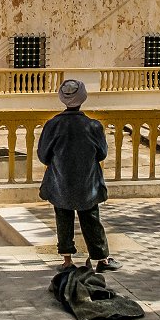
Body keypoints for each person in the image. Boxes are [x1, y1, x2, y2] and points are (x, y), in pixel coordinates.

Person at [37, 78, 122, 273]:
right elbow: (102, 153)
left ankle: (67, 261)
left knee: (63, 218)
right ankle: (102, 259)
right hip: (87, 182)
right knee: (91, 218)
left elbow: (43, 156)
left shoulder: (52, 125)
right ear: (83, 97)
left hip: (60, 182)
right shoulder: (93, 126)